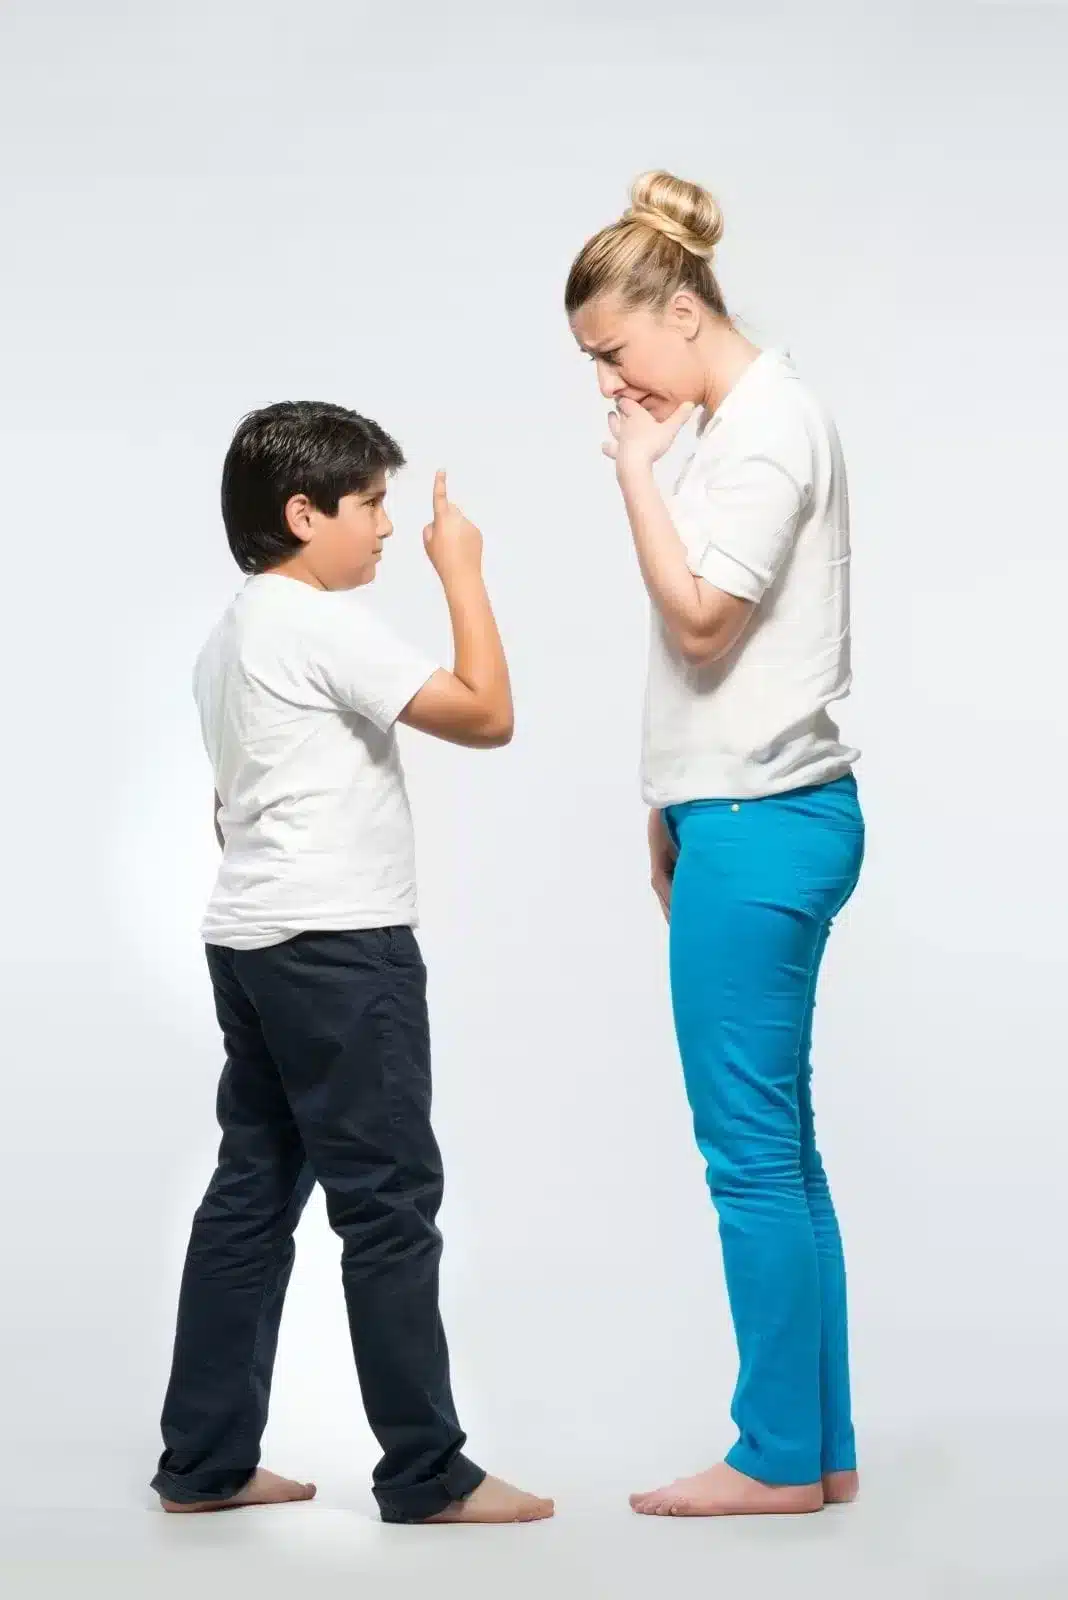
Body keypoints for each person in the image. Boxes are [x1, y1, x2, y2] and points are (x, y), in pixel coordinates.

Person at [150, 401, 553, 1526]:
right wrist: (463, 571)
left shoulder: (230, 636)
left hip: (252, 938)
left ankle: (205, 1464)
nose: (385, 526)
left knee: (252, 1192)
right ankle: (426, 1475)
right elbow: (486, 714)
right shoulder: (317, 622)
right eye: (370, 503)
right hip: (336, 946)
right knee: (388, 1204)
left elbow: (228, 809)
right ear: (302, 513)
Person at [566, 173, 864, 1517]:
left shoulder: (765, 433)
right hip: (743, 812)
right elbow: (724, 666)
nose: (611, 384)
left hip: (762, 822)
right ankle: (820, 1447)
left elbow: (701, 623)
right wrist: (670, 797)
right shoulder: (745, 426)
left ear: (681, 312)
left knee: (749, 1154)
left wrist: (635, 471)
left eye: (614, 351)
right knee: (781, 1149)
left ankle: (775, 1459)